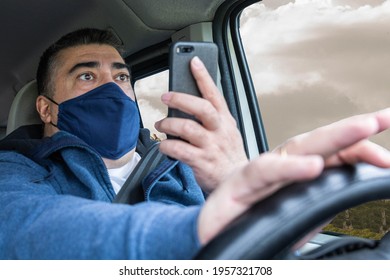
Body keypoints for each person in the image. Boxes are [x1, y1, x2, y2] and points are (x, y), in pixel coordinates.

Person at [0, 28, 389, 259]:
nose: (112, 89)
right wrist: (201, 228)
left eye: (121, 78)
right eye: (86, 76)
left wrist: (278, 206)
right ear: (45, 109)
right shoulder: (18, 167)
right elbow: (18, 226)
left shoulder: (181, 161)